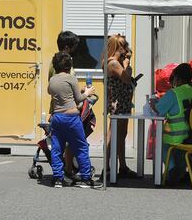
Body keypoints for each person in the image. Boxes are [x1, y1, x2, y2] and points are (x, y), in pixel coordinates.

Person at [48, 52, 100, 188]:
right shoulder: (71, 78)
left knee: (57, 149)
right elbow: (78, 99)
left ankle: (58, 178)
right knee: (81, 147)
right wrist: (87, 93)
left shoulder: (52, 79)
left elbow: (51, 92)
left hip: (57, 117)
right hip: (71, 118)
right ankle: (85, 178)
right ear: (69, 66)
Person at [150, 63, 192, 185]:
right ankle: (181, 172)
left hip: (177, 136)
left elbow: (159, 109)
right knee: (180, 151)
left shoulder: (173, 93)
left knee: (160, 145)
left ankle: (171, 169)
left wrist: (152, 103)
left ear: (177, 78)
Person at [99, 34, 137, 181]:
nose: (126, 49)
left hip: (123, 101)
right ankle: (107, 167)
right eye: (124, 46)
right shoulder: (113, 63)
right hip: (117, 102)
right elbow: (126, 78)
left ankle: (123, 166)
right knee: (112, 134)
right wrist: (127, 65)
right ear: (117, 47)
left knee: (122, 134)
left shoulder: (115, 61)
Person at [48, 31, 80, 180]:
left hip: (58, 108)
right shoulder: (62, 65)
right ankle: (66, 170)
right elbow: (63, 87)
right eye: (74, 47)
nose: (76, 50)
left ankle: (63, 171)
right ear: (67, 47)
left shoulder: (55, 62)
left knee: (61, 142)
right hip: (66, 109)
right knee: (68, 141)